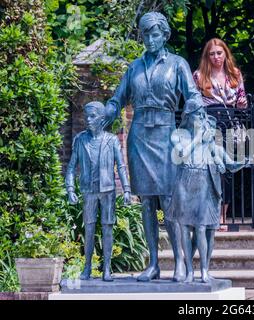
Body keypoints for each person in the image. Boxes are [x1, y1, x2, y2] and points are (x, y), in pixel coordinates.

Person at [103, 12, 205, 282]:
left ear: (165, 35)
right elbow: (118, 99)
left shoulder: (177, 64)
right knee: (147, 202)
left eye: (155, 34)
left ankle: (181, 261)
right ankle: (153, 263)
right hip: (139, 137)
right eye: (146, 34)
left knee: (170, 200)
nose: (149, 39)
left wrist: (192, 113)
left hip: (165, 134)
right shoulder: (134, 67)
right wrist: (107, 111)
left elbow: (193, 95)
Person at [167, 111, 245, 282]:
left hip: (205, 188)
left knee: (202, 228)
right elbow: (181, 155)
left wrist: (246, 160)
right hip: (185, 186)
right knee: (185, 228)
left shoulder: (214, 149)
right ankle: (189, 271)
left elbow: (231, 165)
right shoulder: (179, 137)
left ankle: (204, 270)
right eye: (201, 121)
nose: (204, 126)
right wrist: (197, 140)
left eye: (207, 124)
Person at [66, 101, 131, 282]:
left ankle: (107, 269)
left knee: (107, 228)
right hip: (88, 191)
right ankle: (87, 267)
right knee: (89, 228)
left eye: (92, 116)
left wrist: (126, 190)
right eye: (86, 116)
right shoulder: (80, 140)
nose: (88, 119)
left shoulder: (111, 141)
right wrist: (70, 189)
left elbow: (121, 166)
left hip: (107, 190)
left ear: (102, 119)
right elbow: (71, 167)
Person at [192, 38, 247, 230]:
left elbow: (243, 100)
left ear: (225, 54)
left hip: (230, 124)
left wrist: (241, 104)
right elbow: (195, 105)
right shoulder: (199, 76)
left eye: (219, 53)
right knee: (209, 170)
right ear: (207, 56)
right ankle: (209, 214)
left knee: (227, 171)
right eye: (212, 53)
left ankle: (223, 216)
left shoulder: (235, 74)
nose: (216, 57)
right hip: (209, 124)